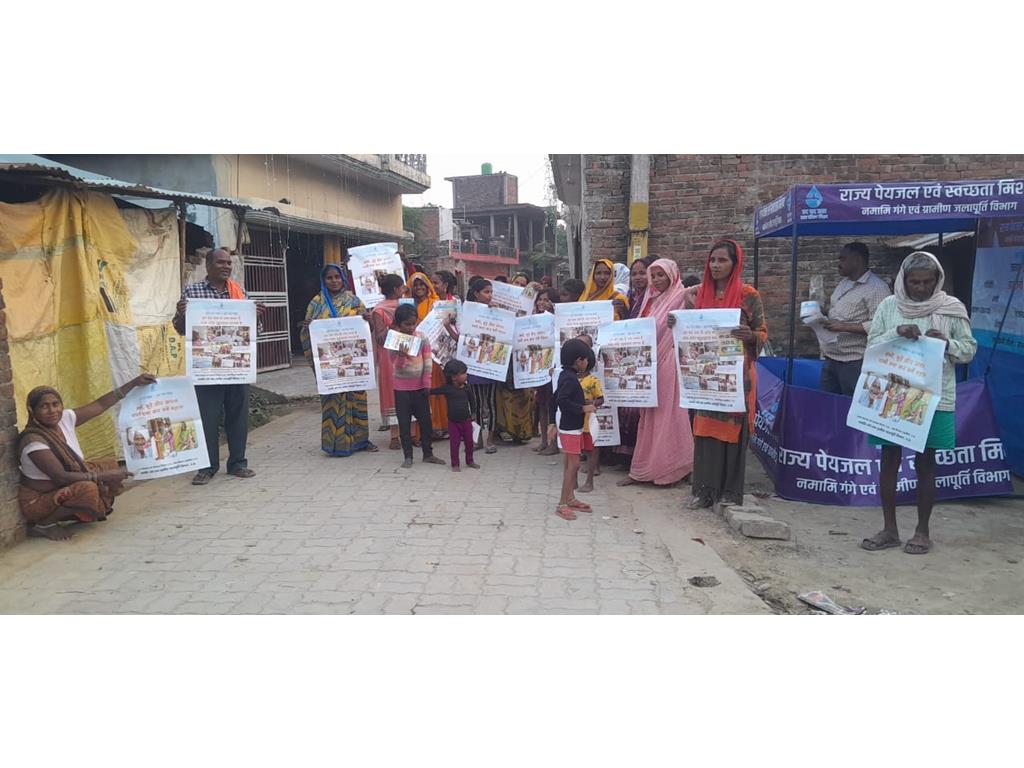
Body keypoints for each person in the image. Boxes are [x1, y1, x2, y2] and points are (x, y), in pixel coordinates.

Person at [860, 251, 977, 555]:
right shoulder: (889, 306)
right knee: (889, 458)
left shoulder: (951, 308)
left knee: (926, 461)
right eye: (915, 282)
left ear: (938, 280)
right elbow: (872, 344)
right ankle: (889, 529)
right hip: (893, 394)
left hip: (935, 396)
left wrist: (947, 343)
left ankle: (922, 532)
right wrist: (896, 332)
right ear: (904, 280)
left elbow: (968, 350)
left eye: (928, 282)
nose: (922, 288)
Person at [680, 239, 768, 509]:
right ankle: (704, 491)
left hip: (736, 375)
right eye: (712, 260)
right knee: (705, 431)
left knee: (733, 431)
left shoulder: (748, 295)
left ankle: (729, 492)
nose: (716, 265)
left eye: (722, 260)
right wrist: (677, 320)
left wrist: (750, 335)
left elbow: (763, 332)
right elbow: (691, 328)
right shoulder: (700, 294)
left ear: (735, 263)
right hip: (706, 376)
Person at [17, 374, 156, 541]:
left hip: (62, 484)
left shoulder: (64, 419)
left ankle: (81, 511)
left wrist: (133, 383)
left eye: (55, 404)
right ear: (32, 411)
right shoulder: (33, 441)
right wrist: (103, 476)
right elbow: (61, 477)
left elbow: (100, 405)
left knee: (110, 466)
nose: (52, 411)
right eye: (44, 406)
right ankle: (44, 524)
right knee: (88, 489)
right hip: (38, 500)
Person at [173, 248, 265, 486]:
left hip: (236, 367)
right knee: (207, 419)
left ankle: (237, 463)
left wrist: (256, 315)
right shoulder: (192, 292)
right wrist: (182, 315)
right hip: (207, 369)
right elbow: (181, 329)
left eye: (229, 263)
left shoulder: (239, 292)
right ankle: (207, 467)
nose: (226, 266)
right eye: (221, 262)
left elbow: (253, 330)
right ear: (208, 265)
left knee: (238, 417)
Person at [619, 259, 695, 488]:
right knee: (648, 417)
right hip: (649, 365)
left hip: (669, 362)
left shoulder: (683, 296)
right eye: (654, 275)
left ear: (672, 274)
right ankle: (643, 469)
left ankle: (670, 470)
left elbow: (698, 321)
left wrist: (682, 318)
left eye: (662, 274)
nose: (657, 279)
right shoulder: (650, 300)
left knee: (668, 417)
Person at [300, 263, 378, 457]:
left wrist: (368, 320)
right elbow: (307, 332)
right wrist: (308, 327)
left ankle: (360, 441)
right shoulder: (316, 303)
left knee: (357, 398)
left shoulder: (354, 301)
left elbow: (368, 331)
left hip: (353, 361)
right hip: (330, 363)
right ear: (323, 280)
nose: (334, 281)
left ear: (343, 278)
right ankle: (335, 444)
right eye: (329, 278)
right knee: (332, 400)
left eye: (337, 277)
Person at [819, 242, 892, 396]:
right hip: (831, 358)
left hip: (855, 362)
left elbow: (882, 326)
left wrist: (844, 327)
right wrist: (819, 315)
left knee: (849, 404)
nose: (839, 263)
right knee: (827, 403)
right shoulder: (844, 283)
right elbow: (838, 313)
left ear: (857, 260)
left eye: (843, 259)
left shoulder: (877, 288)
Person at [389, 303, 446, 469]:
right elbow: (396, 365)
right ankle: (408, 456)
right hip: (401, 389)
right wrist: (401, 355)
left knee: (426, 422)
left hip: (420, 388)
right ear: (399, 324)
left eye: (413, 323)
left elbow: (428, 361)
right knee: (404, 423)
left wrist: (426, 383)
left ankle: (428, 454)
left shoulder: (422, 337)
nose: (411, 327)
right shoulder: (394, 340)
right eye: (407, 324)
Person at [548, 338, 598, 520]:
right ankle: (562, 503)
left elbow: (554, 398)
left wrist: (551, 422)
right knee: (574, 465)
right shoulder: (569, 378)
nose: (587, 363)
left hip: (573, 427)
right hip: (570, 428)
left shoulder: (566, 375)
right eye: (586, 360)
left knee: (571, 463)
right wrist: (582, 408)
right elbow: (561, 401)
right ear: (579, 361)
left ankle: (570, 498)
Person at [616, 257, 656, 466]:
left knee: (639, 406)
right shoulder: (629, 298)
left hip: (648, 357)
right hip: (628, 355)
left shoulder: (654, 298)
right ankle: (624, 453)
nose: (638, 277)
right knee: (627, 403)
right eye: (634, 274)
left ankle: (638, 456)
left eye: (642, 273)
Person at [407, 271, 449, 440]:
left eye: (421, 285)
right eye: (415, 285)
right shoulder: (406, 305)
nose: (419, 288)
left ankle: (439, 426)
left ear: (427, 286)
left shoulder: (436, 304)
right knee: (418, 392)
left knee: (435, 389)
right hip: (413, 354)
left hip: (433, 354)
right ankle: (421, 430)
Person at [368, 273, 406, 449]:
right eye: (402, 287)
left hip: (407, 352)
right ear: (396, 289)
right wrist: (394, 324)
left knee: (411, 389)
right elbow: (380, 338)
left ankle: (413, 434)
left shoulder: (407, 305)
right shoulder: (379, 310)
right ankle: (394, 436)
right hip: (389, 357)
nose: (404, 289)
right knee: (392, 393)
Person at [431, 359, 480, 472]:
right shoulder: (447, 388)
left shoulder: (467, 388)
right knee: (454, 444)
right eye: (463, 373)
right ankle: (455, 464)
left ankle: (470, 461)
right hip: (453, 423)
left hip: (466, 421)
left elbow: (473, 402)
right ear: (454, 377)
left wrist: (473, 414)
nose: (466, 375)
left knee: (469, 443)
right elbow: (434, 391)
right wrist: (425, 392)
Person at [574, 334, 604, 494]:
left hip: (588, 421)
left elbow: (601, 399)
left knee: (591, 449)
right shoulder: (570, 378)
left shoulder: (592, 381)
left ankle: (589, 481)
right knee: (573, 451)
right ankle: (573, 481)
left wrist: (591, 404)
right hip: (573, 421)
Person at [532, 287, 560, 456]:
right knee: (541, 404)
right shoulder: (534, 319)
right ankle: (544, 441)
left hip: (553, 368)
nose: (542, 303)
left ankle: (554, 443)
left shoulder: (558, 319)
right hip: (540, 367)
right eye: (540, 299)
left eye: (546, 300)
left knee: (552, 406)